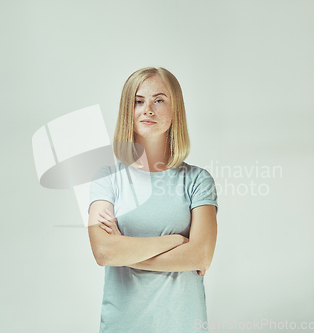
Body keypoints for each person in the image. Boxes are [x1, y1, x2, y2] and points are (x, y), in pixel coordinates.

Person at [87, 67, 218, 333]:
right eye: (138, 101)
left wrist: (125, 253)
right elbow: (104, 252)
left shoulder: (197, 180)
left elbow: (201, 255)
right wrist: (176, 241)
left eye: (159, 100)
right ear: (128, 110)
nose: (148, 109)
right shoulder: (107, 178)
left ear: (175, 111)